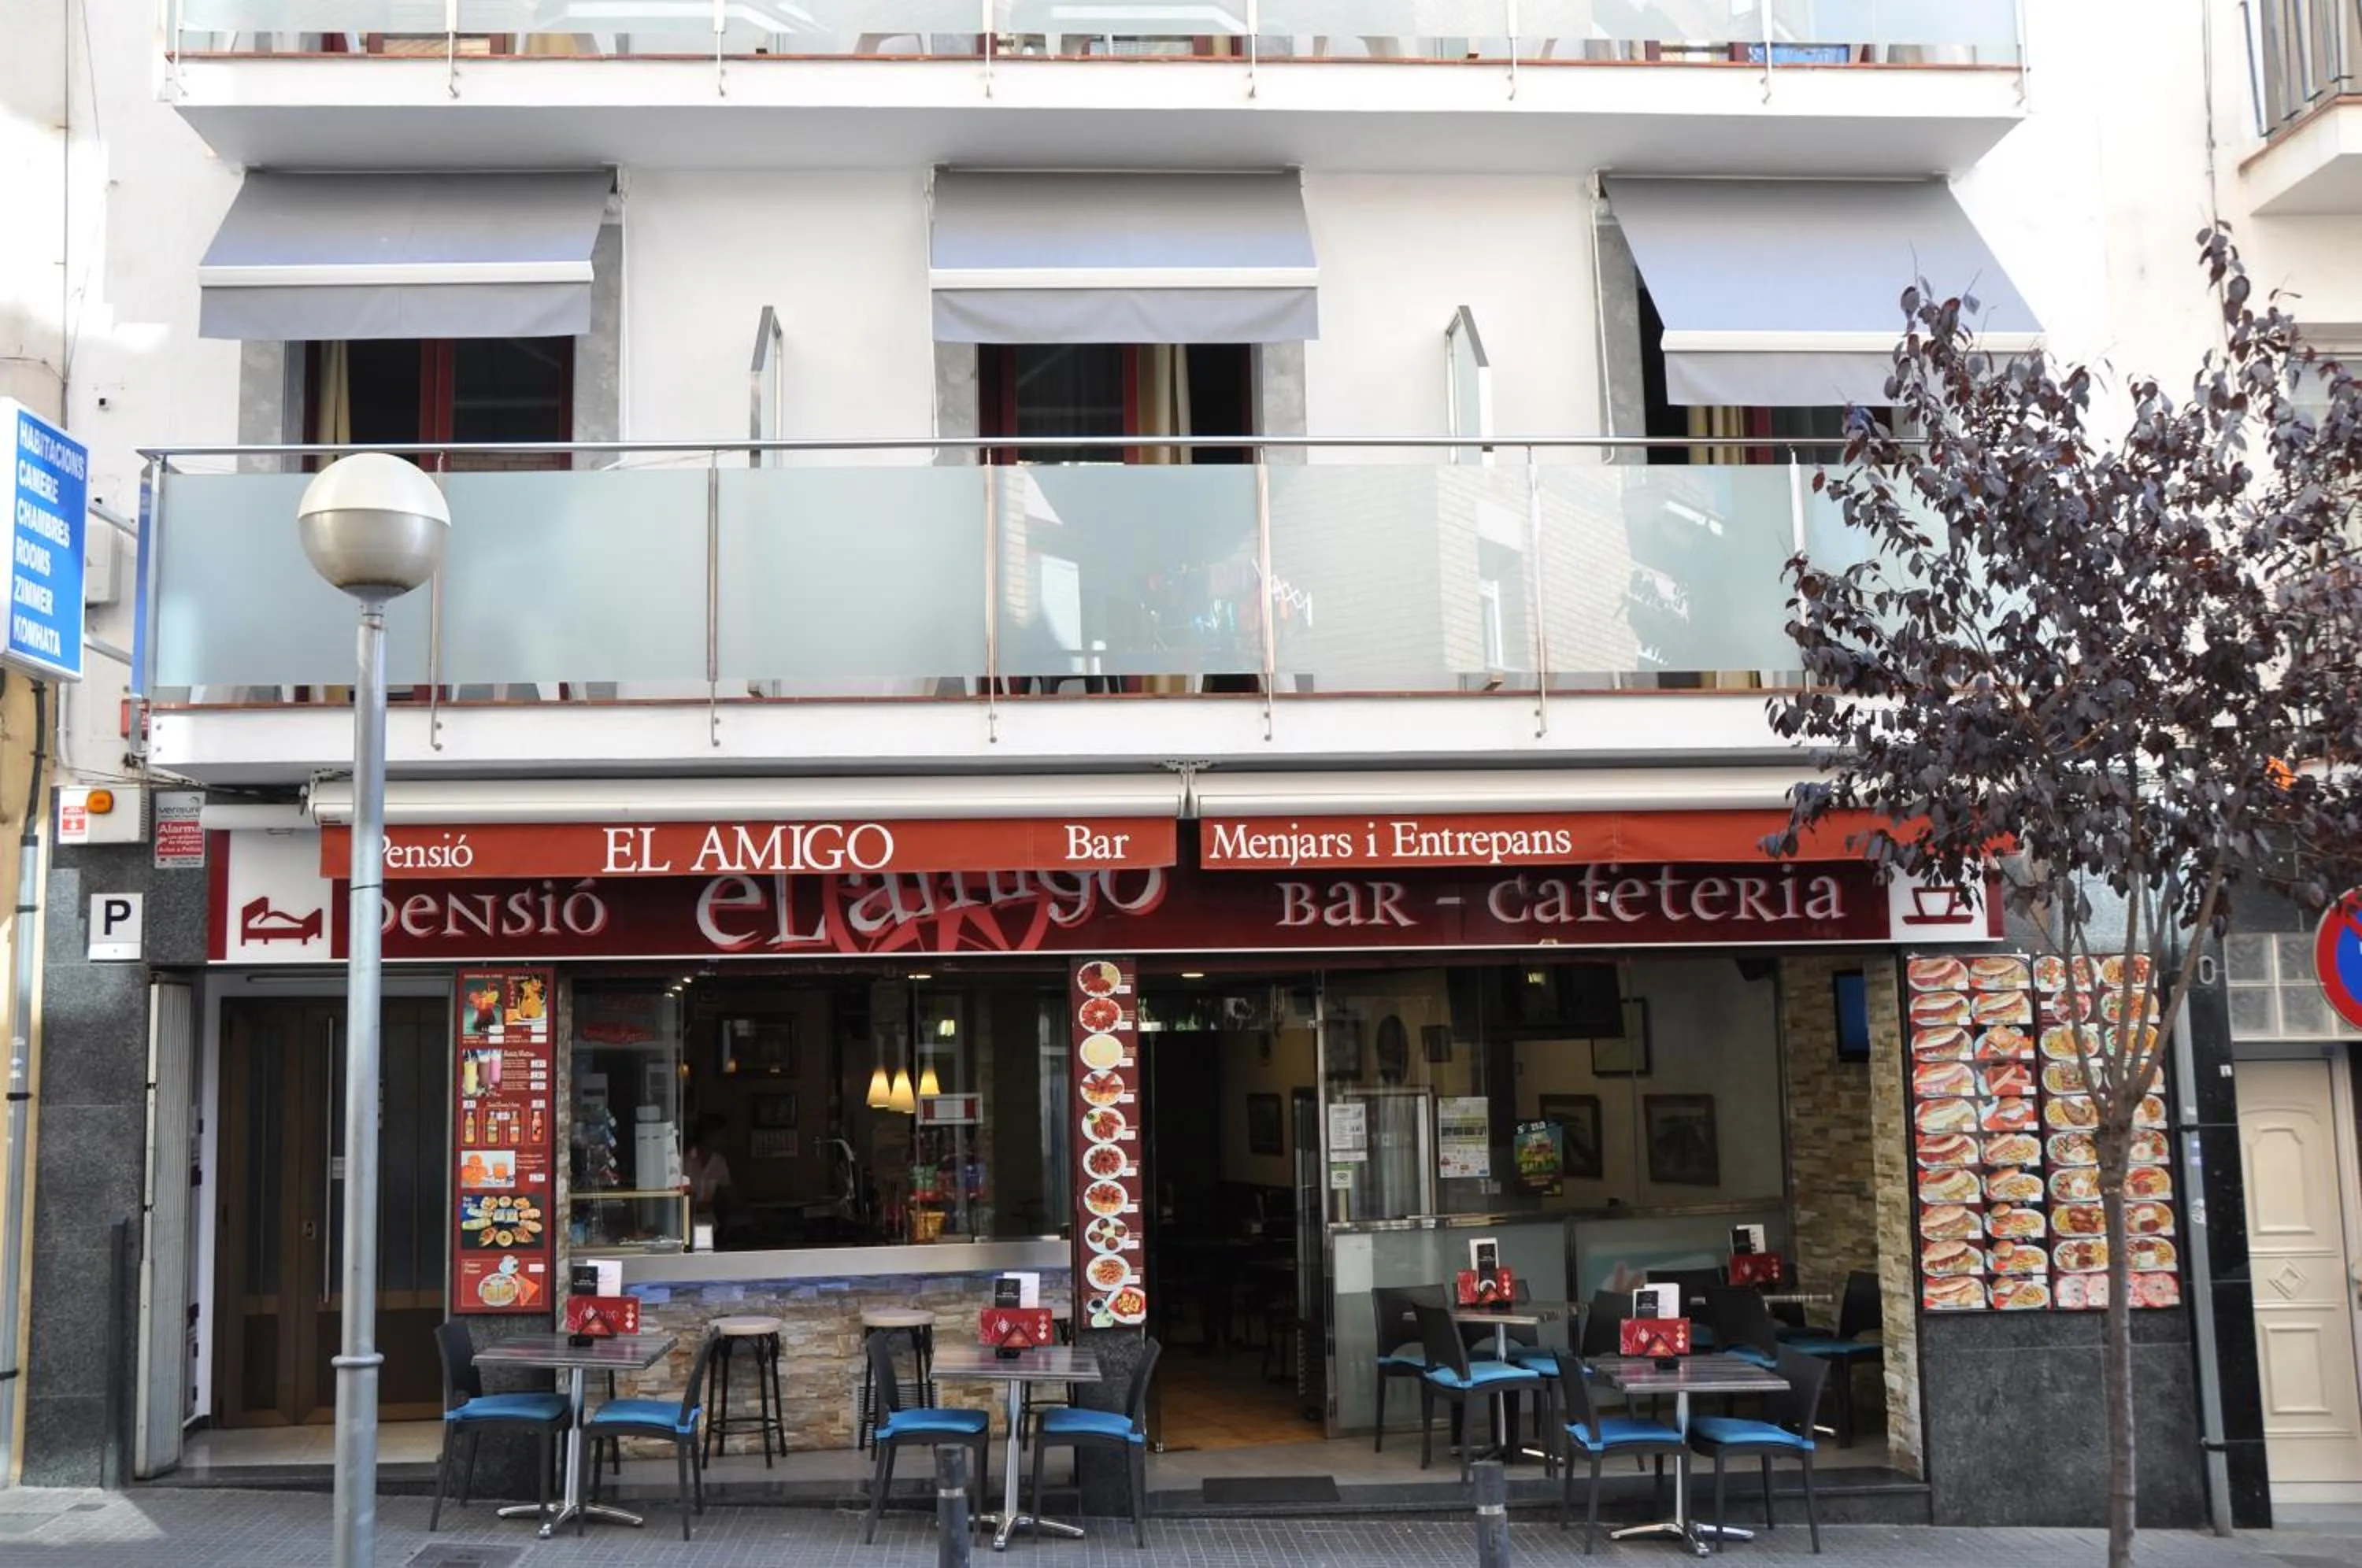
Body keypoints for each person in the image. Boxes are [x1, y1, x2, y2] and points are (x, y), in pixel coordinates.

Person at [682, 1116, 733, 1226]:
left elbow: (727, 1193)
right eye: (721, 1135)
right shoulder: (684, 1161)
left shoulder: (719, 1162)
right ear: (709, 1135)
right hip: (683, 1223)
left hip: (708, 1223)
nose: (724, 1140)